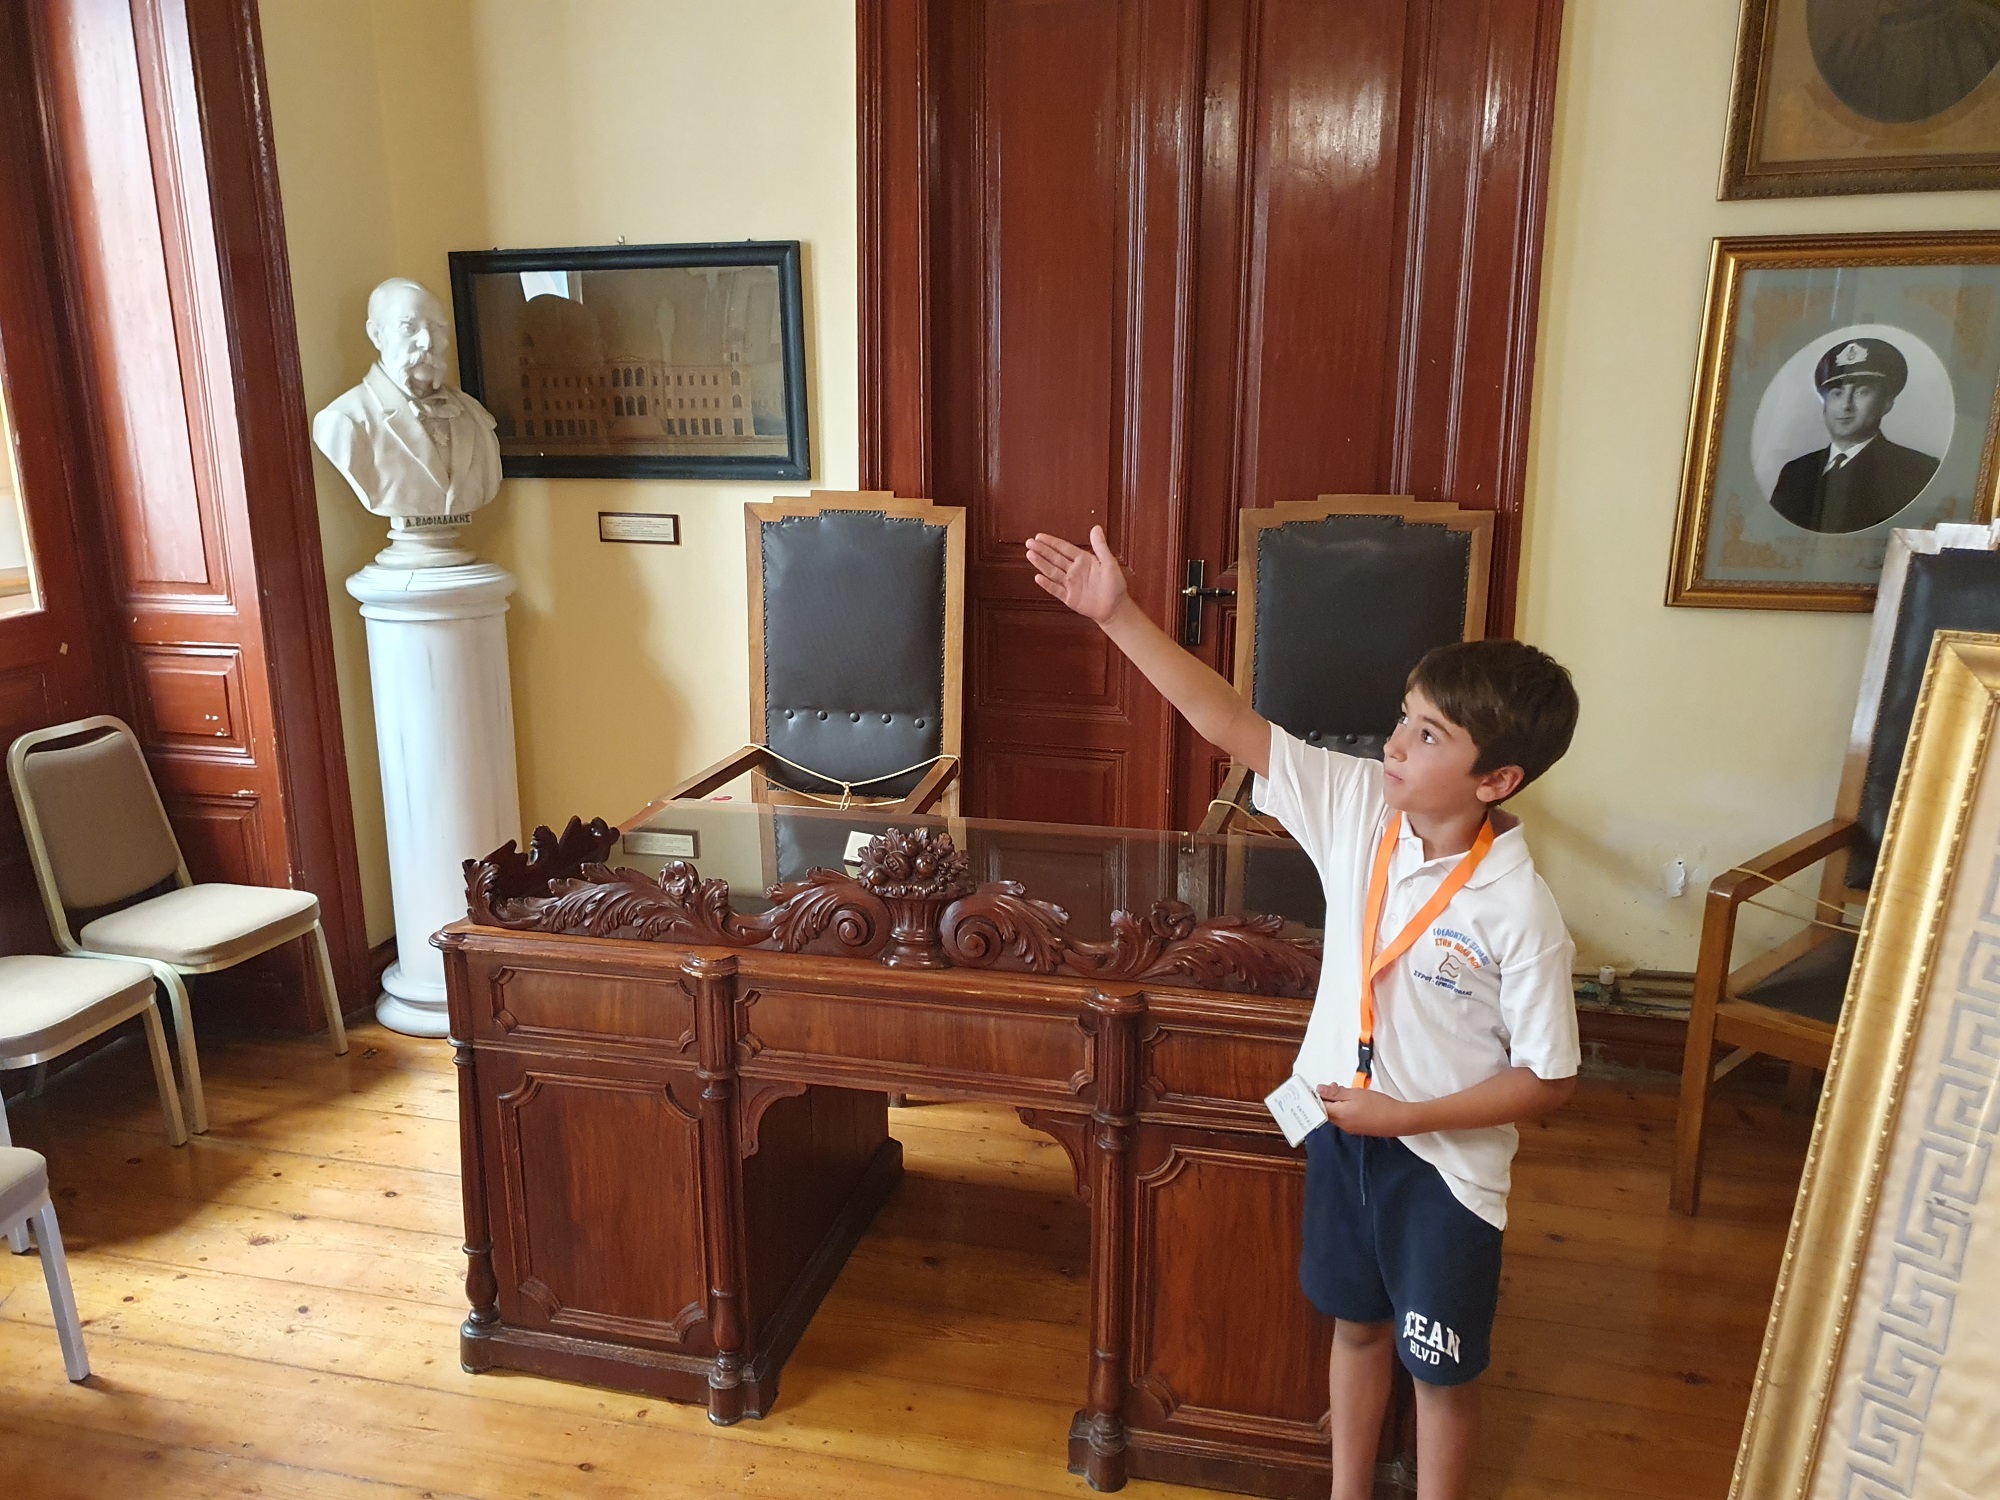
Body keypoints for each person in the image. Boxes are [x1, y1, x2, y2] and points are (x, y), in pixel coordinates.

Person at [1025, 526, 1581, 1500]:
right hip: (1339, 1135)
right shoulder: (1361, 806)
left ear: (1496, 781)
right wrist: (1118, 616)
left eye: (1429, 736)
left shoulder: (1518, 909)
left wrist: (1405, 1117)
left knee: (1440, 1373)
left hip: (1443, 1174)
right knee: (1354, 1328)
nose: (1394, 744)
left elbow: (1549, 1079)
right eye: (1404, 718)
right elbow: (1230, 723)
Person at [313, 277, 503, 524]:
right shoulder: (344, 420)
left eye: (437, 328)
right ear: (376, 334)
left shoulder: (475, 414)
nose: (427, 342)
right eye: (408, 328)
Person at [1768, 336, 1939, 535]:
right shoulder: (1795, 471)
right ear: (1824, 406)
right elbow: (1772, 537)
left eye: (1861, 392)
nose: (1846, 405)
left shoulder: (1917, 471)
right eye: (1837, 393)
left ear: (1886, 404)